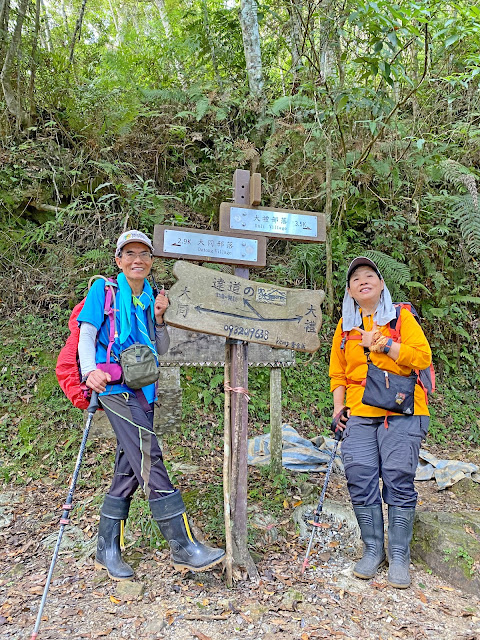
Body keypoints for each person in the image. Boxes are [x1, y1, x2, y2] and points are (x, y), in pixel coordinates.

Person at [77, 229, 225, 580]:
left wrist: (159, 317)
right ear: (118, 260)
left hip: (145, 390)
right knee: (147, 454)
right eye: (129, 253)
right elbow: (86, 332)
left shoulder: (149, 298)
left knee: (129, 469)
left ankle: (107, 548)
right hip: (114, 388)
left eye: (143, 253)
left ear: (151, 261)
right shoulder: (105, 290)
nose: (137, 259)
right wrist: (88, 371)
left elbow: (160, 349)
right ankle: (183, 545)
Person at [329, 256, 432, 589]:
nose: (363, 280)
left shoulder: (400, 318)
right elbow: (338, 374)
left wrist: (385, 343)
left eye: (369, 275)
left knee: (398, 477)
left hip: (402, 408)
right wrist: (338, 408)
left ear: (382, 284)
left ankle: (399, 555)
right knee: (359, 475)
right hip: (359, 410)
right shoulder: (345, 328)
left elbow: (422, 357)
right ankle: (373, 550)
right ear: (349, 291)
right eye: (356, 278)